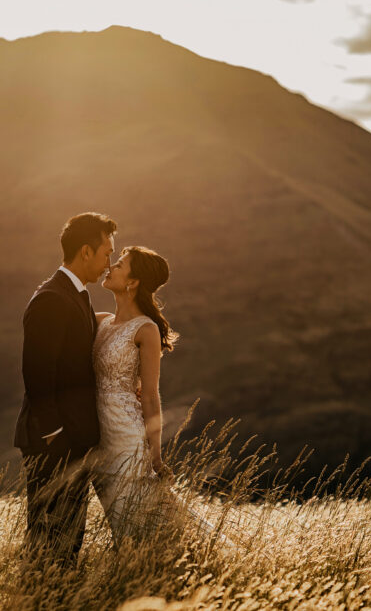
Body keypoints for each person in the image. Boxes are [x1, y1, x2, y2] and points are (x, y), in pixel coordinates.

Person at [92, 246, 220, 544]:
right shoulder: (99, 320)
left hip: (124, 432)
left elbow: (149, 396)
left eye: (120, 264)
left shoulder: (146, 330)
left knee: (136, 518)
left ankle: (178, 562)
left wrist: (156, 456)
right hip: (95, 433)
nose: (111, 266)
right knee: (117, 518)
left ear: (133, 282)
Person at [13, 212, 117, 566]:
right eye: (106, 253)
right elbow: (37, 374)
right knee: (48, 546)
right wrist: (57, 437)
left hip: (73, 443)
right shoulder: (51, 299)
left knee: (67, 546)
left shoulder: (78, 296)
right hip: (52, 444)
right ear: (85, 251)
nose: (109, 263)